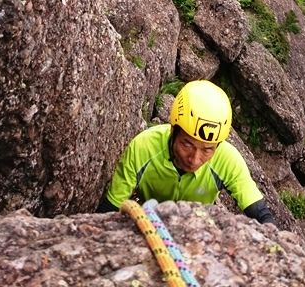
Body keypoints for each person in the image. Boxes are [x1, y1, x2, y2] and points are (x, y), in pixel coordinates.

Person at [97, 79, 274, 224]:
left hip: (196, 226)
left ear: (218, 145)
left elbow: (259, 212)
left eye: (207, 149)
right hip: (150, 222)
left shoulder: (228, 160)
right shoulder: (144, 147)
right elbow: (111, 207)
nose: (194, 160)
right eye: (187, 144)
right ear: (173, 131)